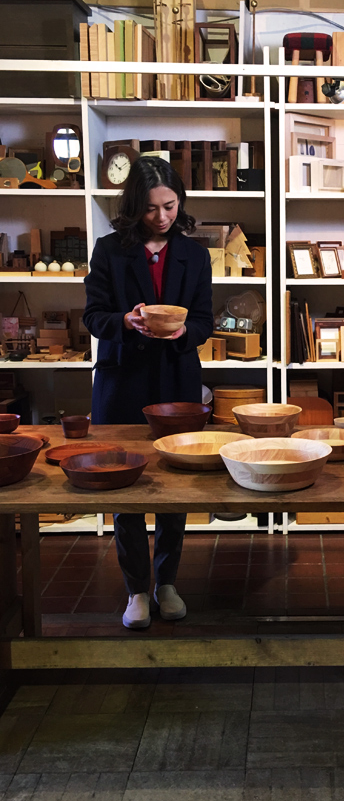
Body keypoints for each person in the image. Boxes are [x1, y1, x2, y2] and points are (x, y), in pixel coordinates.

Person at [83, 157, 213, 630]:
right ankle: (136, 590)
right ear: (134, 206)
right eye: (152, 208)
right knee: (126, 486)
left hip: (176, 376)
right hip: (123, 380)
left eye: (170, 206)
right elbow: (93, 316)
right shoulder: (109, 251)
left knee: (175, 485)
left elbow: (203, 320)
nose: (162, 217)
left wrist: (184, 334)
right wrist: (125, 321)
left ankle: (167, 583)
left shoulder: (195, 255)